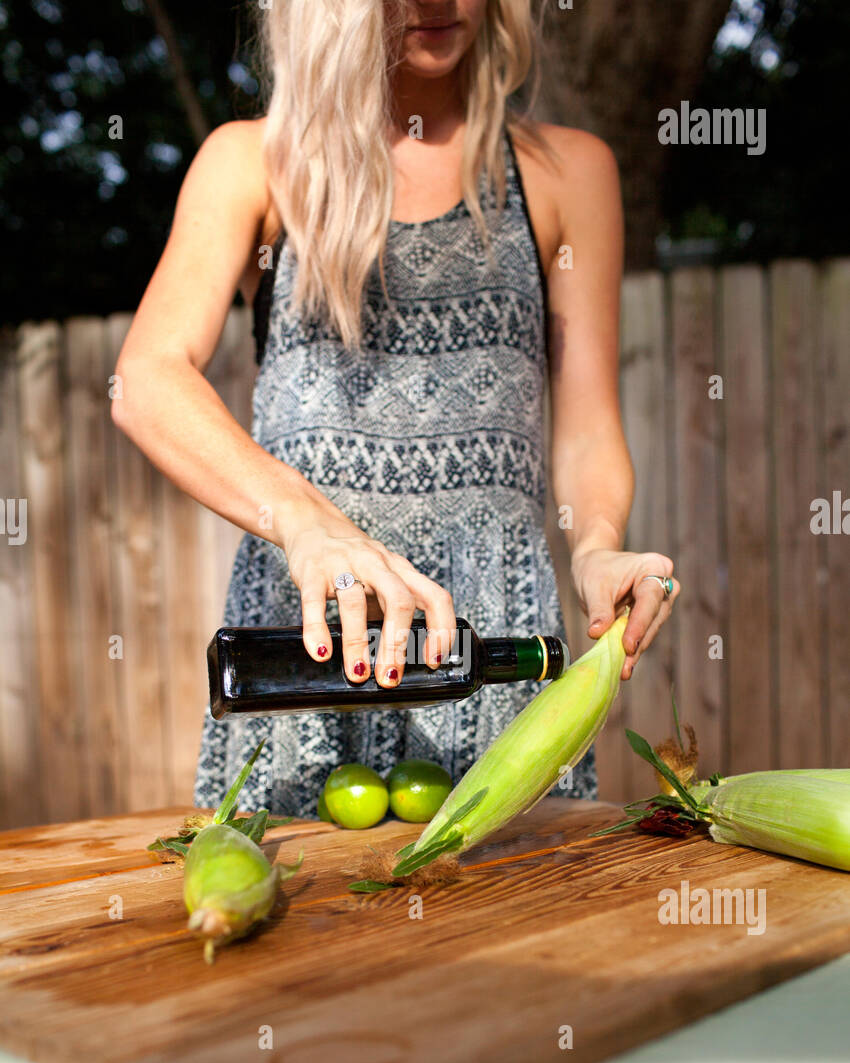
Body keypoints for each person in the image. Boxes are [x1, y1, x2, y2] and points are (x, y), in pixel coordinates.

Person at [112, 0, 680, 816]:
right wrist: (308, 521)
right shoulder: (255, 163)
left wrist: (596, 548)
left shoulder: (568, 171)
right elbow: (147, 377)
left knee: (514, 923)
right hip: (309, 646)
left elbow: (588, 421)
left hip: (490, 648)